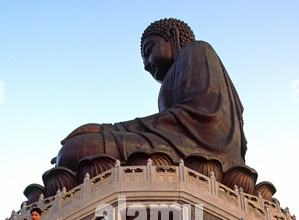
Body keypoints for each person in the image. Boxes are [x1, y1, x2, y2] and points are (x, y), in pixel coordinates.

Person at [55, 18, 246, 175]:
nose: (146, 65)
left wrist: (109, 129)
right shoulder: (174, 75)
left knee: (75, 150)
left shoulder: (197, 50)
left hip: (205, 154)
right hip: (175, 146)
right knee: (75, 151)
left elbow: (201, 115)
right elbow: (169, 128)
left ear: (172, 35)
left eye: (148, 51)